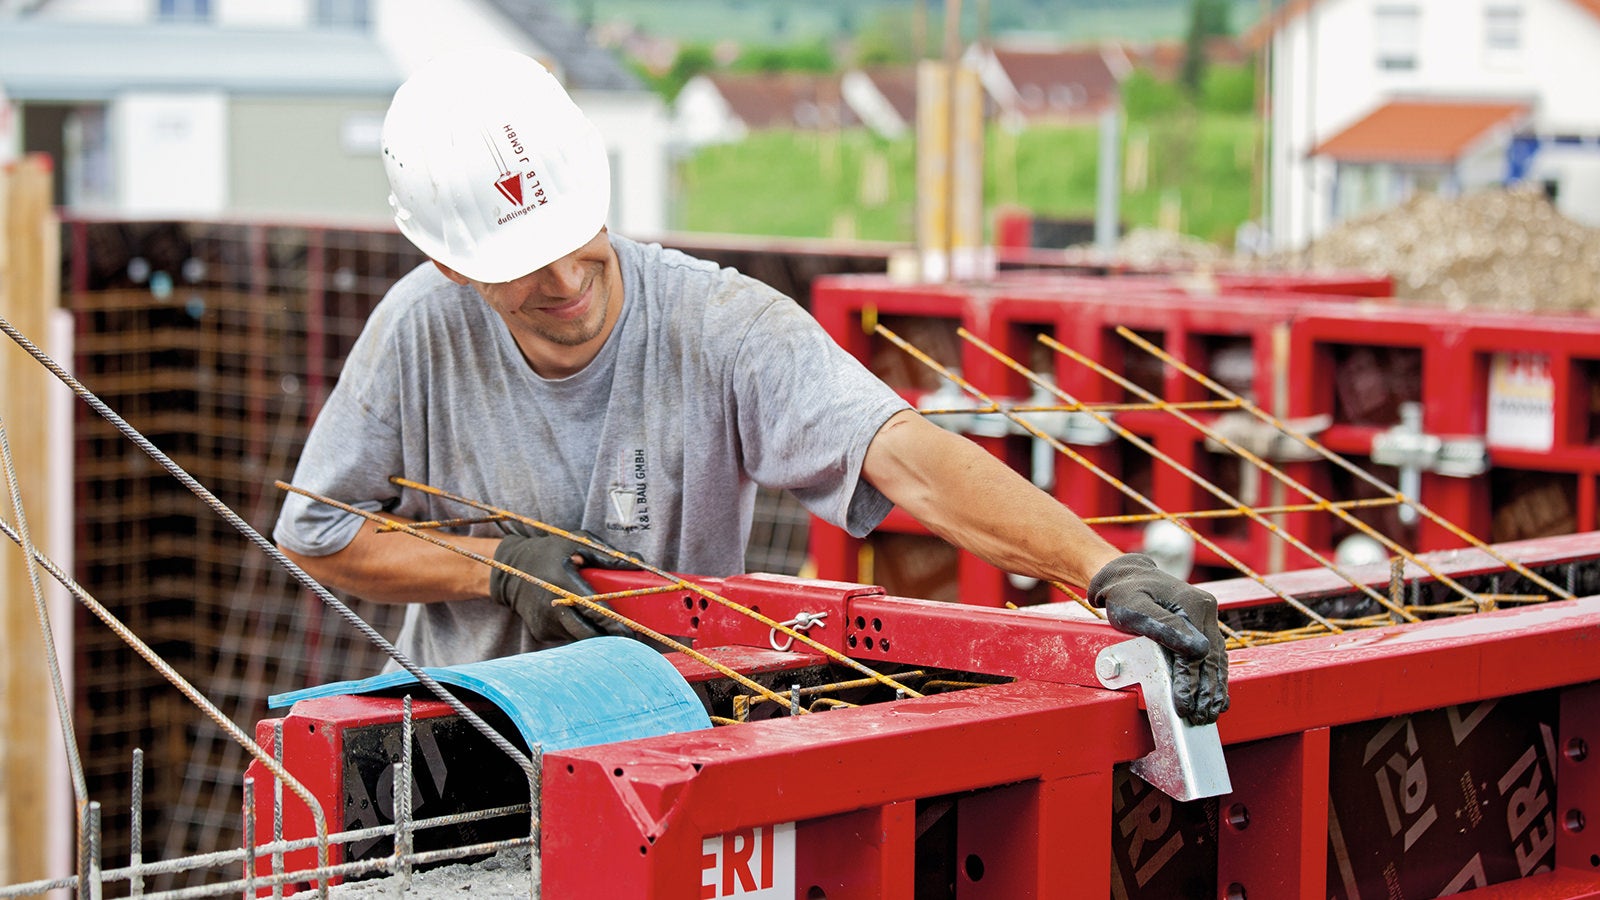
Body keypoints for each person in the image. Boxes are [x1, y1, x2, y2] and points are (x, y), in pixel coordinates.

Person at [272, 49, 1228, 726]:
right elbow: (318, 530)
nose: (565, 284)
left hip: (667, 730)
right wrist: (492, 569)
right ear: (450, 266)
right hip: (463, 735)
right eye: (522, 269)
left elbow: (906, 456)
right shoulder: (417, 329)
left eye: (576, 244)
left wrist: (1103, 571)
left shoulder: (718, 325)